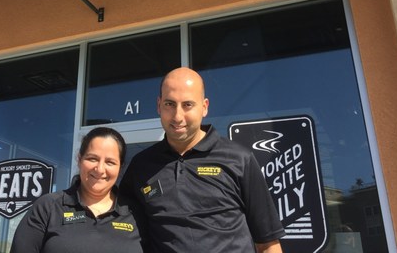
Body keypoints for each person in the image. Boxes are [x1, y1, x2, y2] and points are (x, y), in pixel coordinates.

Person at [120, 67, 285, 253]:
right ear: (159, 105)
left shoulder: (239, 159)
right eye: (169, 104)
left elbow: (268, 243)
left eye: (187, 105)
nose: (177, 116)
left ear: (204, 107)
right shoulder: (141, 165)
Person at [10, 126, 147, 253]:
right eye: (93, 159)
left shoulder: (135, 214)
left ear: (120, 167)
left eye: (110, 162)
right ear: (79, 159)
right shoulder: (48, 207)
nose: (100, 169)